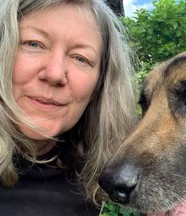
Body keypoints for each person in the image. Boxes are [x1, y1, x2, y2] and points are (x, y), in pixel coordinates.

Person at [0, 0, 137, 215]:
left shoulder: (92, 174)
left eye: (80, 58)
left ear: (99, 87)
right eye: (33, 44)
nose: (54, 74)